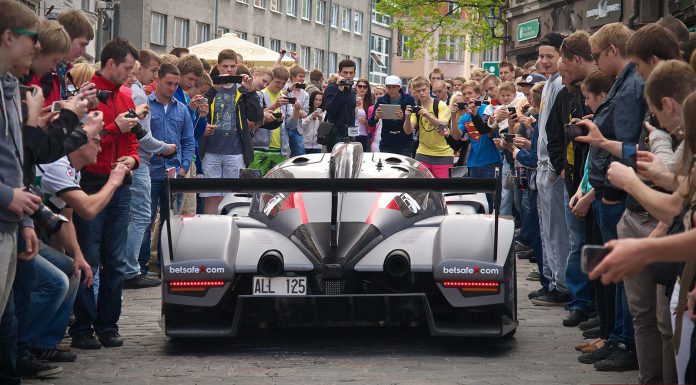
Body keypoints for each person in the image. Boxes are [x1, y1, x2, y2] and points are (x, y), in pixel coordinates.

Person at [579, 22, 646, 372]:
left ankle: (624, 340)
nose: (595, 63)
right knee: (616, 274)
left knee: (623, 276)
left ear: (612, 51)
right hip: (609, 188)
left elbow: (628, 143)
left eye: (595, 55)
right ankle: (618, 335)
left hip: (616, 192)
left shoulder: (632, 86)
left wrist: (609, 192)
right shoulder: (624, 83)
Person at [70, 38, 142, 350]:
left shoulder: (125, 95)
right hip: (92, 180)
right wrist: (115, 129)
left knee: (116, 259)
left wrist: (133, 160)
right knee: (89, 255)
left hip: (121, 182)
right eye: (127, 68)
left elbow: (134, 141)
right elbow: (83, 139)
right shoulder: (88, 95)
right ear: (110, 64)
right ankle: (83, 326)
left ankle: (108, 324)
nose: (130, 75)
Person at [201, 49, 262, 214]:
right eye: (225, 66)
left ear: (237, 67)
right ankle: (210, 234)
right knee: (211, 196)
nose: (229, 70)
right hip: (210, 150)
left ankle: (228, 231)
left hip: (235, 151)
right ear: (218, 66)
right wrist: (213, 89)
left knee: (232, 196)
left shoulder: (242, 90)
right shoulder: (210, 86)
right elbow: (199, 110)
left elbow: (257, 116)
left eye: (232, 66)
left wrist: (251, 91)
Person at [403, 76, 452, 178]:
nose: (421, 93)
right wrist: (407, 117)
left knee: (441, 189)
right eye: (418, 91)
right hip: (422, 153)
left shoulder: (441, 105)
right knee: (422, 189)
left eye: (424, 90)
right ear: (415, 93)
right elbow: (408, 131)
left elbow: (443, 125)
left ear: (429, 88)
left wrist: (427, 115)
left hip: (443, 154)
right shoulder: (416, 108)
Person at [368, 75, 415, 156]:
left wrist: (403, 117)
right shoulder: (381, 100)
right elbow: (371, 123)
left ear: (399, 87)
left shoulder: (408, 99)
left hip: (404, 142)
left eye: (394, 87)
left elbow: (414, 120)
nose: (391, 90)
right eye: (389, 87)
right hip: (387, 141)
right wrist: (376, 116)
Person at [324, 59, 357, 150]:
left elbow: (351, 113)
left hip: (350, 134)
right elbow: (330, 109)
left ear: (354, 73)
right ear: (339, 73)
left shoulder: (352, 91)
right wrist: (339, 91)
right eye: (345, 73)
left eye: (351, 73)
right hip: (336, 134)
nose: (348, 76)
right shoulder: (332, 88)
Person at [283, 65, 309, 157]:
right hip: (284, 126)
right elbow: (280, 101)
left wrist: (295, 109)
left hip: (297, 128)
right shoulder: (285, 89)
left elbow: (305, 113)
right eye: (300, 76)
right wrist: (297, 109)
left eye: (303, 76)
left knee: (299, 155)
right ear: (293, 77)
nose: (302, 79)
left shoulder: (305, 94)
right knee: (283, 154)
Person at [354, 78, 373, 152]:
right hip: (352, 132)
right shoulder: (351, 99)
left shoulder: (369, 103)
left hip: (364, 134)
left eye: (364, 87)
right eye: (359, 86)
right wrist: (354, 106)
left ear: (367, 89)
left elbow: (372, 121)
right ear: (356, 87)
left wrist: (366, 122)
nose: (362, 88)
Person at [369, 85, 386, 152]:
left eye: (380, 94)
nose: (378, 96)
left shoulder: (390, 106)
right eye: (376, 94)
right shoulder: (371, 108)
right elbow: (371, 128)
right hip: (376, 140)